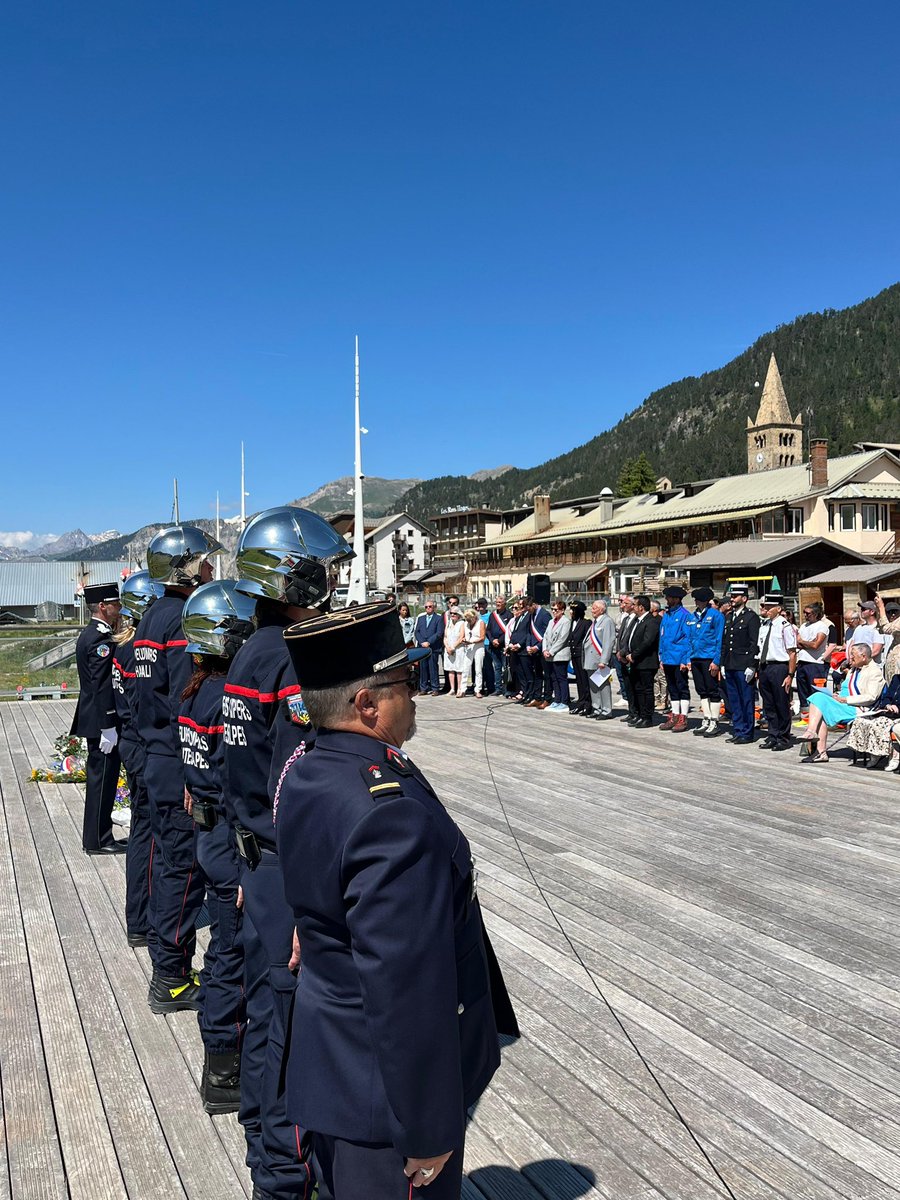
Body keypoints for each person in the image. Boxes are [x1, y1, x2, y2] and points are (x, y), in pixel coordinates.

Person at [275, 602, 518, 1200]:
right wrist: (429, 1126)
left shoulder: (308, 770)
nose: (414, 695)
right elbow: (406, 983)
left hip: (331, 1066)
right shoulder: (390, 813)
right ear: (367, 703)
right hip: (385, 1102)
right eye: (404, 683)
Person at [223, 506, 353, 1200]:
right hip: (290, 871)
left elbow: (237, 771)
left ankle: (259, 1145)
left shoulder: (248, 652)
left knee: (259, 1016)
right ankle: (285, 1178)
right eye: (324, 567)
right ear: (296, 574)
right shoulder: (292, 663)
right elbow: (299, 787)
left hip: (258, 866)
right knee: (293, 1036)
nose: (331, 579)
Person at [136, 526, 223, 1014]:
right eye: (205, 563)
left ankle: (163, 959)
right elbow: (181, 696)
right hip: (177, 759)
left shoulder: (151, 615)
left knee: (168, 862)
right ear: (185, 567)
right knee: (185, 870)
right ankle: (170, 977)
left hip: (155, 753)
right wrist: (196, 771)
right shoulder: (183, 620)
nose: (211, 571)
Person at [179, 580, 257, 1115]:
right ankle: (222, 1068)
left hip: (206, 836)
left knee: (223, 947)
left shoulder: (193, 692)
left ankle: (218, 1032)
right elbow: (236, 778)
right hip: (228, 844)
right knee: (230, 951)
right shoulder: (224, 700)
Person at [113, 571, 163, 945]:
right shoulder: (136, 650)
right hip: (143, 748)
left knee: (144, 834)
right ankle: (142, 920)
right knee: (146, 836)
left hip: (131, 744)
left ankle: (143, 915)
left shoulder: (124, 648)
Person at [71, 582, 127, 855]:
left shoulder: (95, 633)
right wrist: (108, 725)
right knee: (102, 781)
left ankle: (100, 835)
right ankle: (98, 840)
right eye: (115, 604)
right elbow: (101, 684)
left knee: (103, 780)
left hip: (96, 718)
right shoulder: (98, 639)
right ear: (102, 607)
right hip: (101, 720)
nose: (119, 608)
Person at [800, 643, 884, 764]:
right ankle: (819, 750)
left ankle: (812, 734)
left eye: (853, 655)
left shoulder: (874, 671)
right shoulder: (854, 670)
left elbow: (871, 697)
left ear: (864, 656)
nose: (850, 658)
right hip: (844, 703)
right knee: (819, 703)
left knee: (818, 698)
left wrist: (845, 700)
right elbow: (846, 689)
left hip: (859, 708)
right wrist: (837, 695)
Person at [755, 594, 797, 752]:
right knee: (769, 704)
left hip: (779, 666)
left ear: (778, 609)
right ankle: (772, 735)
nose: (766, 609)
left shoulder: (785, 626)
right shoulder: (764, 626)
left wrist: (790, 675)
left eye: (769, 607)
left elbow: (792, 652)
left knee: (781, 703)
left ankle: (783, 737)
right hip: (765, 666)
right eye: (765, 606)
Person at [720, 584, 760, 745]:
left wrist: (752, 665)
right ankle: (738, 729)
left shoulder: (751, 617)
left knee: (746, 699)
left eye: (735, 596)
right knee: (734, 699)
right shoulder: (729, 617)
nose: (732, 599)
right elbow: (725, 643)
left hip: (743, 665)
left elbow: (754, 643)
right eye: (731, 596)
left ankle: (747, 732)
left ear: (744, 599)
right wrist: (723, 663)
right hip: (730, 663)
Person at [686, 587, 725, 737]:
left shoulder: (716, 616)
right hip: (696, 657)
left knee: (712, 689)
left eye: (697, 599)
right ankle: (706, 718)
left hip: (709, 657)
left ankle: (715, 721)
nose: (695, 601)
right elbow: (689, 638)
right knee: (701, 690)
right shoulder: (692, 616)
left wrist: (716, 661)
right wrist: (688, 658)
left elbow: (719, 639)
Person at [846, 672, 900, 770]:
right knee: (862, 721)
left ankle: (894, 757)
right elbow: (887, 697)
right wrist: (888, 705)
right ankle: (875, 752)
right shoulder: (896, 678)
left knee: (881, 724)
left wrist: (897, 707)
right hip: (888, 711)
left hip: (898, 714)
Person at [657, 586, 691, 733]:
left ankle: (683, 716)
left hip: (679, 657)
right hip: (668, 657)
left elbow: (688, 638)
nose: (667, 599)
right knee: (672, 687)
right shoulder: (667, 614)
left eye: (669, 597)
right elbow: (662, 636)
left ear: (676, 599)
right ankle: (675, 714)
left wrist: (685, 659)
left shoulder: (685, 615)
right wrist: (661, 656)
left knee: (682, 687)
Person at [624, 595, 659, 728]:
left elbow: (647, 642)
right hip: (635, 661)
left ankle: (647, 717)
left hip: (646, 661)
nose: (633, 607)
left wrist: (634, 654)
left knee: (646, 689)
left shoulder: (651, 621)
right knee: (637, 689)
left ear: (641, 607)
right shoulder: (636, 620)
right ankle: (639, 714)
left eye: (635, 605)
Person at [581, 599, 616, 720]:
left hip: (600, 659)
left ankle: (606, 710)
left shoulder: (607, 621)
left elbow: (608, 641)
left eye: (595, 608)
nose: (592, 610)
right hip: (590, 659)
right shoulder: (595, 622)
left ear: (602, 609)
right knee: (594, 686)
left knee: (603, 686)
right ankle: (597, 708)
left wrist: (604, 660)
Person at [795, 602, 831, 715]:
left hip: (815, 664)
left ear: (815, 614)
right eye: (804, 613)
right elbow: (797, 643)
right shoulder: (803, 626)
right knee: (802, 691)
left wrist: (803, 642)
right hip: (802, 662)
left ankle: (818, 716)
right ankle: (805, 716)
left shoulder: (822, 627)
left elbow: (816, 645)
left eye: (808, 613)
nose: (805, 615)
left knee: (816, 693)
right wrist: (806, 643)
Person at [542, 599, 572, 711]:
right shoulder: (551, 621)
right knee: (553, 677)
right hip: (549, 655)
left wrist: (551, 651)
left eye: (556, 610)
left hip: (560, 654)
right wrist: (544, 649)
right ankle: (557, 699)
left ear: (562, 610)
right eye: (552, 609)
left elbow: (562, 639)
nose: (554, 612)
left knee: (561, 677)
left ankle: (564, 701)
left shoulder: (566, 622)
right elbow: (545, 636)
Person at [524, 597, 551, 708]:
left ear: (534, 605)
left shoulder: (545, 615)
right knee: (537, 674)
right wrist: (528, 645)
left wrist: (538, 647)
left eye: (529, 608)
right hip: (533, 650)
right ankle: (537, 697)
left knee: (547, 675)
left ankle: (547, 698)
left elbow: (547, 634)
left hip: (542, 649)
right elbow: (530, 632)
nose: (528, 611)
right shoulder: (531, 615)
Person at [413, 600, 444, 695]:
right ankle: (424, 688)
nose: (428, 608)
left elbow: (439, 633)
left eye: (430, 606)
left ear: (434, 607)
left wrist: (429, 642)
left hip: (433, 647)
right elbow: (416, 631)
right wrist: (422, 642)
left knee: (433, 667)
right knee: (423, 667)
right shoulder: (421, 618)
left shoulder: (438, 618)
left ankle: (435, 688)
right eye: (426, 607)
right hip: (422, 647)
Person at [486, 597, 514, 697]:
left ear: (504, 603)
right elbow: (488, 630)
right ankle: (498, 688)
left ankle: (507, 689)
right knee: (497, 668)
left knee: (505, 668)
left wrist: (499, 640)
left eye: (500, 602)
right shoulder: (493, 615)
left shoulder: (509, 615)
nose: (498, 604)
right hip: (493, 646)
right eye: (496, 602)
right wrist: (492, 640)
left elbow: (508, 631)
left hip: (503, 646)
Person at [567, 601, 591, 714]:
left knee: (584, 680)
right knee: (579, 681)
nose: (571, 612)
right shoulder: (572, 622)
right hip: (574, 655)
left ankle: (587, 703)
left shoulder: (586, 623)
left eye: (573, 610)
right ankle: (581, 702)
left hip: (582, 655)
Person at [613, 595, 636, 707]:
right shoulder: (622, 617)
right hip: (619, 650)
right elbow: (620, 635)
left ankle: (629, 698)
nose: (622, 604)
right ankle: (625, 696)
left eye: (624, 602)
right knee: (621, 675)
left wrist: (624, 652)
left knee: (631, 679)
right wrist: (618, 650)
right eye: (621, 602)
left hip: (628, 653)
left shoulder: (634, 618)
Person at [506, 600, 531, 701]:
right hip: (514, 649)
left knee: (526, 673)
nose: (519, 607)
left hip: (523, 649)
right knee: (518, 672)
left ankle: (526, 693)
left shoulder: (528, 616)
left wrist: (519, 644)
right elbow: (514, 632)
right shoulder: (518, 617)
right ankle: (521, 690)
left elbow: (527, 633)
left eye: (521, 605)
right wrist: (510, 644)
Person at [442, 607, 467, 697]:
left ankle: (460, 689)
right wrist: (447, 647)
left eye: (455, 613)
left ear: (459, 615)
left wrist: (452, 647)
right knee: (450, 669)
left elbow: (461, 637)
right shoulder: (448, 623)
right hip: (448, 649)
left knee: (459, 669)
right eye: (451, 613)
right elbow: (445, 637)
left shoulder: (462, 623)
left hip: (458, 649)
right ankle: (452, 689)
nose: (452, 615)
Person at [875, 594, 900, 681]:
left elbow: (887, 629)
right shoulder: (889, 622)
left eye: (895, 612)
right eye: (889, 612)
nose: (893, 615)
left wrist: (881, 608)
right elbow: (881, 629)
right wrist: (879, 611)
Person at [462, 608, 486, 697]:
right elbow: (463, 635)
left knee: (478, 669)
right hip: (468, 647)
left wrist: (472, 641)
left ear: (474, 617)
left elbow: (482, 637)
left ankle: (478, 689)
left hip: (478, 647)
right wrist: (464, 640)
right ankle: (462, 689)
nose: (468, 621)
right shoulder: (465, 624)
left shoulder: (481, 623)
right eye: (467, 619)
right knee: (465, 667)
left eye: (470, 619)